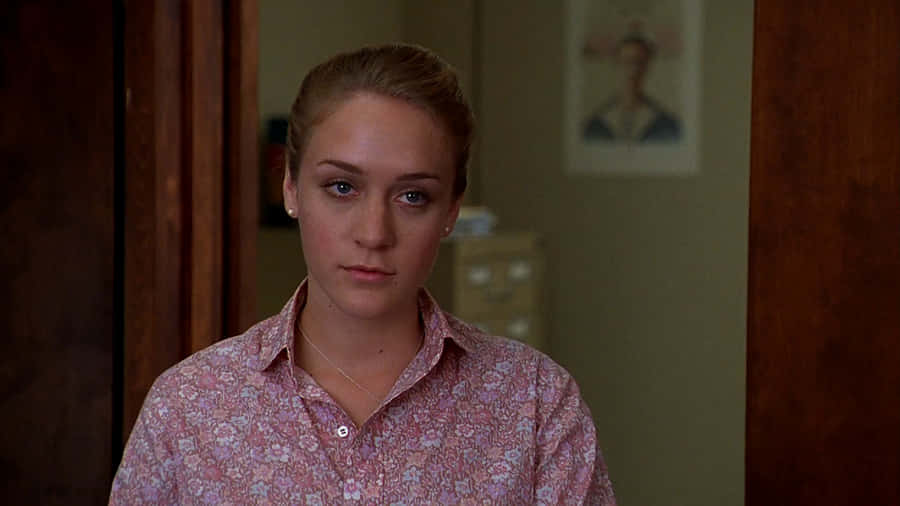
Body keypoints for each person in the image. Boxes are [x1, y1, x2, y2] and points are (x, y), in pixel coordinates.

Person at [110, 44, 616, 504]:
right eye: (342, 187)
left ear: (451, 211)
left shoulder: (535, 405)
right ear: (290, 188)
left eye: (412, 196)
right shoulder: (190, 409)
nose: (374, 233)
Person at [583, 33, 681, 143]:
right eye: (627, 61)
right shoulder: (597, 124)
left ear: (647, 67)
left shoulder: (665, 124)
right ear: (616, 64)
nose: (633, 70)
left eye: (639, 62)